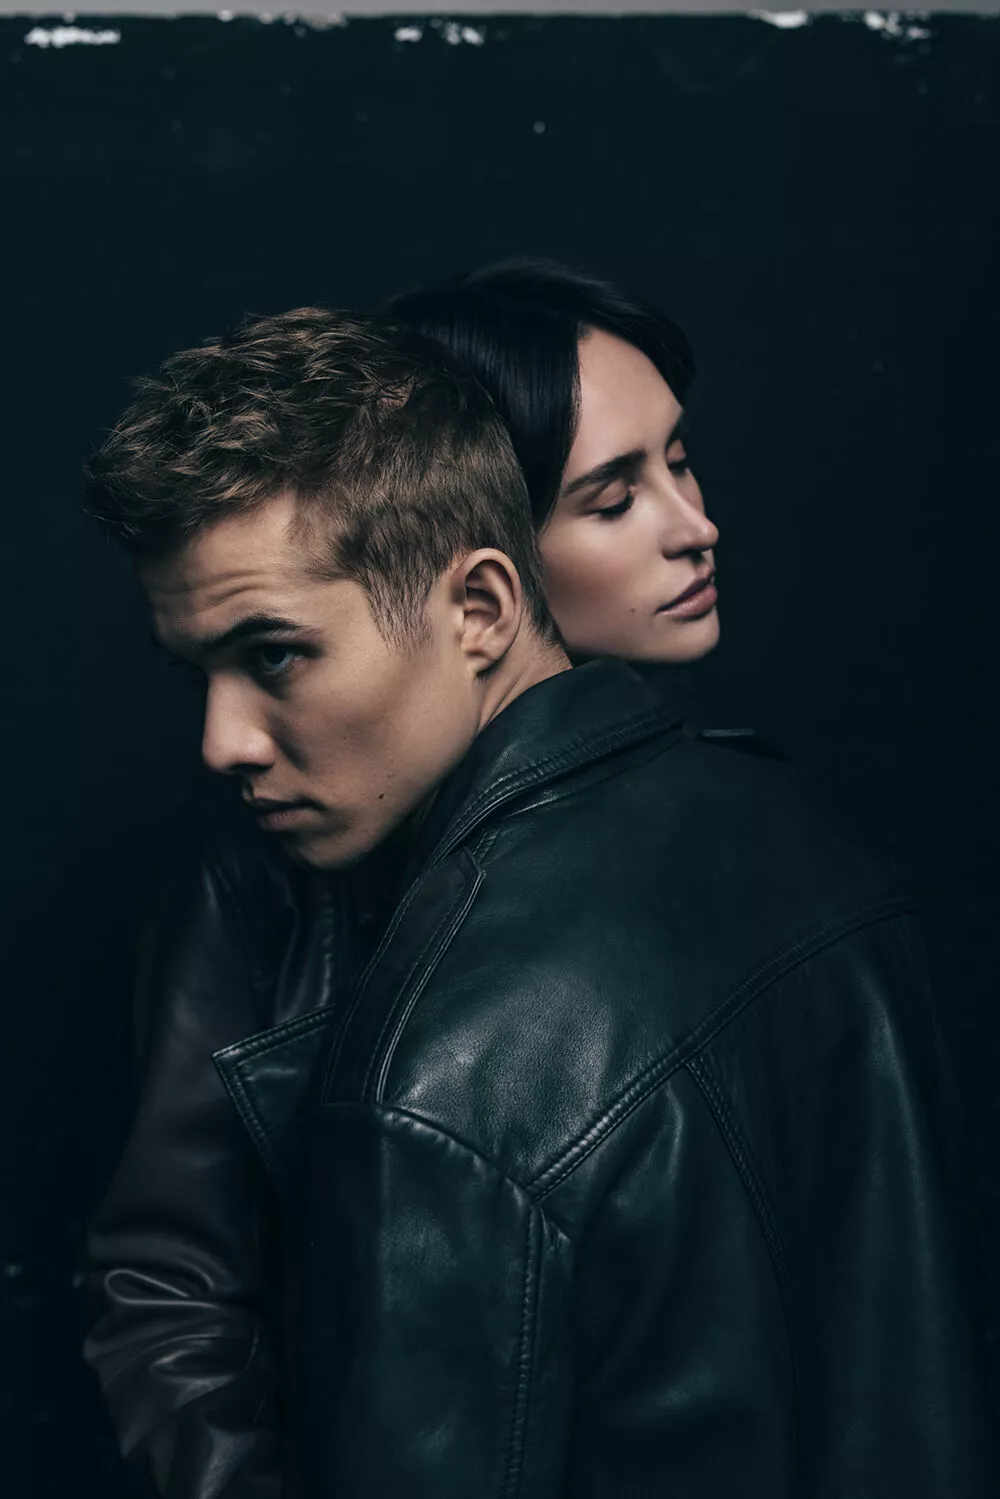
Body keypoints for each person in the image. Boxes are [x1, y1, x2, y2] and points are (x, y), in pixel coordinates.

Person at [83, 303, 988, 1496]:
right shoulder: (814, 834)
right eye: (607, 494)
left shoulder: (438, 1083)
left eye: (276, 655)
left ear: (482, 606)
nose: (221, 742)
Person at [81, 262, 724, 1499]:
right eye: (608, 497)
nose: (692, 524)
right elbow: (169, 1284)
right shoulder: (269, 859)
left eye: (679, 462)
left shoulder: (732, 830)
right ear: (487, 575)